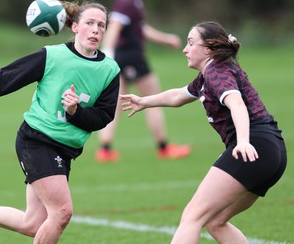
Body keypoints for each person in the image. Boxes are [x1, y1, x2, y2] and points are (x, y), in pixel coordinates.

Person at [0, 0, 120, 244]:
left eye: (101, 26)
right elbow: (4, 79)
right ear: (74, 27)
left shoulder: (110, 70)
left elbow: (103, 117)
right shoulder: (52, 56)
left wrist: (75, 111)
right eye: (89, 23)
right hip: (37, 140)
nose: (95, 30)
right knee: (61, 213)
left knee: (34, 223)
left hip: (66, 148)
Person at [120, 21, 287, 243]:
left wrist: (244, 142)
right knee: (215, 221)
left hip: (251, 147)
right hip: (272, 152)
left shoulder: (217, 72)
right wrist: (144, 101)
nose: (185, 49)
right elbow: (178, 95)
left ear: (208, 49)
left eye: (191, 43)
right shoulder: (209, 74)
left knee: (192, 216)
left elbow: (236, 104)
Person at [96, 0, 191, 162]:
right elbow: (115, 27)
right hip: (131, 57)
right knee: (154, 98)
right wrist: (107, 55)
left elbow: (140, 29)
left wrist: (166, 39)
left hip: (123, 57)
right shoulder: (127, 0)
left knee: (116, 101)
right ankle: (164, 147)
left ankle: (105, 149)